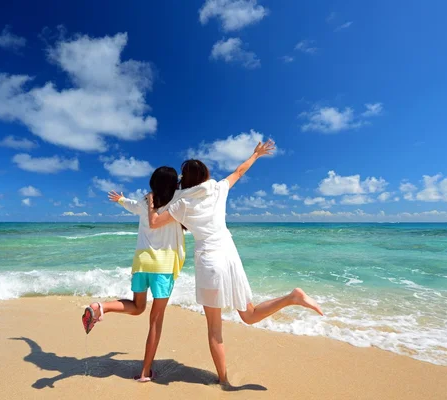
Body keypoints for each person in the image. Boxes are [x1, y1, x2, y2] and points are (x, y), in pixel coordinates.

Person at [147, 140, 323, 385]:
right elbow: (239, 171)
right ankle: (291, 297)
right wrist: (256, 155)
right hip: (230, 256)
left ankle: (225, 382)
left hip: (210, 262)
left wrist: (150, 204)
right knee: (248, 315)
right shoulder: (218, 189)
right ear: (205, 175)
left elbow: (155, 223)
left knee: (214, 330)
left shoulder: (183, 203)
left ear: (185, 180)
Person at [81, 166, 185, 382]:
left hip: (141, 262)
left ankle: (101, 307)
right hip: (163, 267)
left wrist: (120, 199)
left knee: (138, 307)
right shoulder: (177, 204)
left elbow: (130, 205)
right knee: (155, 321)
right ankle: (145, 372)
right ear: (174, 185)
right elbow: (187, 189)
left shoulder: (145, 202)